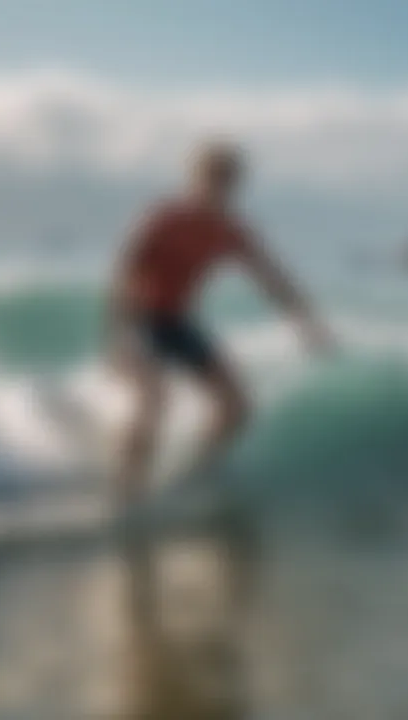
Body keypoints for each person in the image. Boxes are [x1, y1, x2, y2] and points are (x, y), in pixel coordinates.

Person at [106, 141, 335, 507]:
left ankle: (191, 477)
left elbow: (273, 278)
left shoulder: (230, 230)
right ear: (194, 178)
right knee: (154, 400)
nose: (219, 189)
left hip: (177, 321)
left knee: (238, 407)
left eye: (228, 181)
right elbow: (121, 273)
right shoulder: (163, 218)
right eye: (212, 179)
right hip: (141, 318)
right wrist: (117, 340)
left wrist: (307, 323)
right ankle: (125, 494)